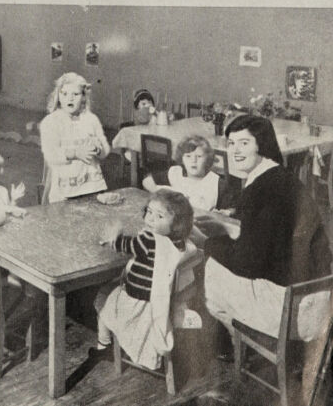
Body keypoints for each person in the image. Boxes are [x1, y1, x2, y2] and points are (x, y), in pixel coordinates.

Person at [204, 113, 331, 343]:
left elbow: (248, 264)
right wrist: (232, 224)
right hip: (320, 297)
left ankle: (241, 341)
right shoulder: (282, 178)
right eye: (231, 144)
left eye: (244, 143)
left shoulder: (260, 190)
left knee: (211, 268)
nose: (235, 151)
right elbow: (272, 233)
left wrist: (207, 243)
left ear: (262, 145)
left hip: (294, 312)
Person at [93, 188, 196, 371]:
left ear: (177, 223)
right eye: (149, 212)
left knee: (103, 300)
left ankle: (104, 346)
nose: (150, 219)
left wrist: (114, 236)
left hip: (137, 302)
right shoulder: (180, 242)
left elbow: (124, 245)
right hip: (163, 301)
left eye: (159, 216)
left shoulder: (149, 240)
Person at [39, 71, 110, 201]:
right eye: (64, 93)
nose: (69, 98)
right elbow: (51, 154)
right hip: (64, 191)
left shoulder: (91, 119)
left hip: (91, 187)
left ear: (83, 97)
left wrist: (97, 149)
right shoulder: (51, 122)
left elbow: (105, 151)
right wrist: (75, 153)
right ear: (58, 96)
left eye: (75, 94)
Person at [142, 134, 240, 212]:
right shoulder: (176, 173)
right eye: (188, 156)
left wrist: (227, 212)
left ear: (208, 159)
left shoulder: (217, 183)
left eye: (199, 156)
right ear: (182, 158)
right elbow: (147, 181)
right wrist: (160, 194)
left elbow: (234, 208)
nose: (193, 161)